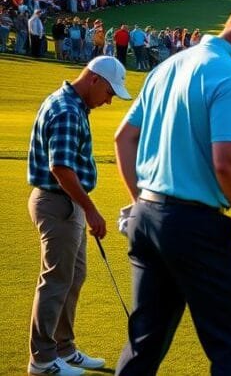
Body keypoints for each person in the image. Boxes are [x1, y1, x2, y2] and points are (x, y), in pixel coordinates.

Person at [112, 0, 231, 375]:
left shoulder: (168, 66)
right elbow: (226, 162)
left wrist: (143, 204)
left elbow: (124, 138)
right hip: (194, 227)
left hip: (145, 218)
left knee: (144, 343)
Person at [27, 56, 132, 376]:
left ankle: (64, 348)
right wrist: (89, 208)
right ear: (94, 80)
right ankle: (42, 360)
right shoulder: (68, 111)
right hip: (58, 203)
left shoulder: (72, 105)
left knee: (73, 276)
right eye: (110, 92)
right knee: (56, 280)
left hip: (66, 202)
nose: (110, 100)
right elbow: (60, 168)